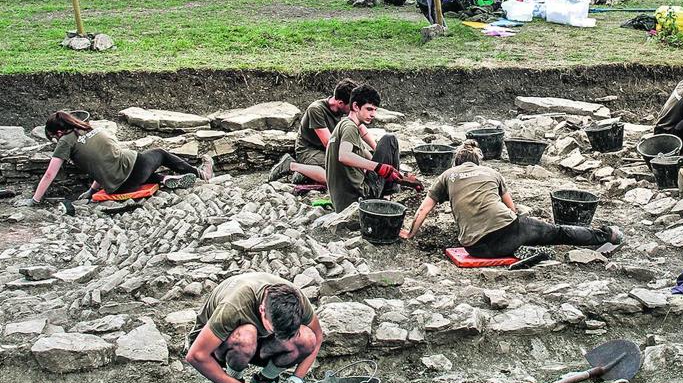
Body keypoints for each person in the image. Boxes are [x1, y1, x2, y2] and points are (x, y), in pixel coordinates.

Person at [399, 140, 623, 257]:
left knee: (526, 233)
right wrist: (527, 227)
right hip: (507, 234)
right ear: (477, 162)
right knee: (558, 232)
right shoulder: (492, 173)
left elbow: (423, 210)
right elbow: (512, 209)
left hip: (474, 248)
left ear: (456, 163)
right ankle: (607, 234)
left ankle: (524, 245)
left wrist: (410, 233)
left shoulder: (446, 176)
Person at [22, 111, 214, 212]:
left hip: (119, 187)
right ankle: (201, 173)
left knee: (137, 171)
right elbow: (106, 159)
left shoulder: (65, 142)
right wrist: (91, 190)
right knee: (160, 153)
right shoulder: (91, 129)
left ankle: (162, 179)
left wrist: (35, 200)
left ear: (57, 132)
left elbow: (96, 167)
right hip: (135, 169)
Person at [185, 272, 323, 383]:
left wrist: (296, 379)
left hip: (258, 344)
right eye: (274, 330)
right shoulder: (234, 306)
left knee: (306, 337)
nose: (279, 337)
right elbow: (196, 355)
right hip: (216, 345)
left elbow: (317, 337)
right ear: (262, 310)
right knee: (246, 335)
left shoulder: (296, 301)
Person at [325, 83, 405, 213]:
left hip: (343, 201)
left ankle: (387, 193)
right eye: (369, 109)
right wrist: (379, 168)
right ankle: (386, 198)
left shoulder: (344, 125)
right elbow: (344, 156)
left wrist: (400, 175)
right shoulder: (350, 127)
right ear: (356, 106)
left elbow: (371, 158)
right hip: (359, 199)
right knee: (389, 140)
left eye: (375, 110)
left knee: (383, 151)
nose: (373, 114)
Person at [267, 79, 358, 184]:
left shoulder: (342, 109)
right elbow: (328, 143)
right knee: (337, 180)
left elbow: (361, 130)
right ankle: (291, 165)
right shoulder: (316, 110)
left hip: (324, 151)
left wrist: (374, 153)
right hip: (307, 150)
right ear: (340, 102)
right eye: (351, 106)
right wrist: (350, 158)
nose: (354, 109)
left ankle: (305, 172)